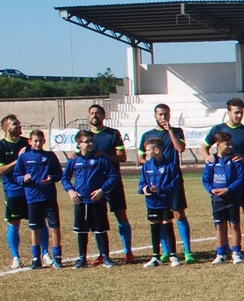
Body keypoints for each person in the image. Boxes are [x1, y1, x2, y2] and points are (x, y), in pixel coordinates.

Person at [139, 103, 198, 262]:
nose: (163, 117)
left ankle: (187, 251)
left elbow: (180, 149)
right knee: (161, 215)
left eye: (166, 114)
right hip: (156, 182)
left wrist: (170, 130)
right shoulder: (147, 135)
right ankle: (166, 251)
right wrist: (152, 167)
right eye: (160, 114)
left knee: (179, 213)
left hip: (173, 180)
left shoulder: (177, 131)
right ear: (155, 115)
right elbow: (141, 158)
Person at [207, 97, 244, 252]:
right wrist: (207, 157)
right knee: (223, 216)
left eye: (241, 113)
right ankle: (223, 249)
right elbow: (205, 147)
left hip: (242, 179)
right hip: (222, 182)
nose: (239, 116)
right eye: (236, 112)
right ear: (228, 112)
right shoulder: (217, 129)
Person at [83, 103, 135, 263]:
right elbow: (79, 157)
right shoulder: (84, 136)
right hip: (93, 186)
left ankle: (128, 252)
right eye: (91, 113)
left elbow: (122, 157)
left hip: (112, 182)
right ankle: (102, 254)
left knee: (121, 215)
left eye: (98, 113)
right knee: (98, 220)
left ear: (103, 116)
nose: (94, 116)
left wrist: (104, 155)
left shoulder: (112, 134)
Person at [12, 129, 65, 268]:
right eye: (35, 141)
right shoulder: (24, 158)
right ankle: (36, 258)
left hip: (49, 197)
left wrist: (52, 178)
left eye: (40, 141)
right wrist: (23, 178)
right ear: (30, 142)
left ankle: (57, 256)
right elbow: (17, 175)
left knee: (54, 226)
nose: (38, 143)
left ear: (44, 142)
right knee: (34, 228)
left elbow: (59, 174)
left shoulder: (50, 156)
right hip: (33, 198)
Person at [62, 130, 115, 267]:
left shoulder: (100, 158)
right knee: (81, 230)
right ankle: (82, 258)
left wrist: (102, 190)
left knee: (100, 230)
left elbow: (113, 176)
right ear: (79, 144)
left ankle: (105, 257)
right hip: (81, 200)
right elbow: (65, 178)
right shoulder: (74, 160)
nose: (91, 144)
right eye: (87, 141)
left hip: (97, 200)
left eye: (92, 141)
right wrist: (70, 191)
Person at [0, 113, 31, 268]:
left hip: (31, 189)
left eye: (19, 123)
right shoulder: (0, 147)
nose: (19, 126)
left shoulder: (28, 143)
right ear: (6, 128)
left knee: (38, 221)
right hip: (13, 190)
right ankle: (16, 257)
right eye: (15, 124)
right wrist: (18, 160)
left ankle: (44, 254)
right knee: (14, 223)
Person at [201, 132, 244, 264]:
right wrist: (212, 190)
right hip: (217, 199)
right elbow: (206, 179)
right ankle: (221, 253)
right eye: (227, 144)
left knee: (234, 225)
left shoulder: (235, 160)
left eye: (231, 144)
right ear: (218, 145)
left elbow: (241, 179)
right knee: (220, 226)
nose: (230, 146)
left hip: (232, 197)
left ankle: (237, 253)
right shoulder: (211, 161)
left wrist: (228, 189)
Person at [138, 134, 184, 265]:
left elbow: (175, 184)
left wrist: (161, 189)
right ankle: (155, 256)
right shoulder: (147, 166)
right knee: (154, 226)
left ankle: (173, 255)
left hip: (165, 201)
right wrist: (144, 189)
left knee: (167, 225)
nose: (145, 153)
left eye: (148, 150)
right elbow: (141, 183)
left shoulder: (170, 165)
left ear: (156, 150)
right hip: (152, 202)